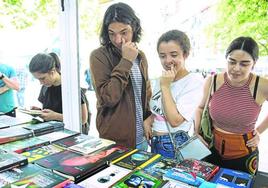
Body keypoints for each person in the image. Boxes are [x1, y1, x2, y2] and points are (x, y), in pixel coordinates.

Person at [195, 36, 268, 175]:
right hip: (211, 150)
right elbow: (199, 108)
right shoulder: (213, 80)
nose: (236, 69)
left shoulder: (262, 85)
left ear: (254, 63)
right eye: (232, 62)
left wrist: (259, 131)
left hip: (244, 155)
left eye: (244, 64)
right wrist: (197, 132)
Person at [90, 2, 152, 150]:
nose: (118, 40)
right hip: (114, 140)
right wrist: (126, 61)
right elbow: (107, 98)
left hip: (141, 137)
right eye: (112, 33)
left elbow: (145, 93)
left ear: (134, 28)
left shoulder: (140, 56)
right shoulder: (99, 56)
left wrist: (148, 116)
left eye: (124, 32)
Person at [143, 30, 204, 159]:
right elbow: (160, 110)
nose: (168, 60)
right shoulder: (161, 79)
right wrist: (149, 120)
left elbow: (175, 120)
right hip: (155, 142)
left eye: (174, 55)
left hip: (173, 144)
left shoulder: (193, 81)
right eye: (162, 56)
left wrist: (165, 86)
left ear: (185, 54)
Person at [29, 52, 89, 133]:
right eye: (38, 79)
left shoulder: (71, 88)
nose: (40, 82)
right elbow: (50, 110)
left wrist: (56, 116)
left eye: (42, 78)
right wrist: (39, 112)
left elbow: (83, 119)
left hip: (70, 134)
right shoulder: (45, 87)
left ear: (52, 72)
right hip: (51, 133)